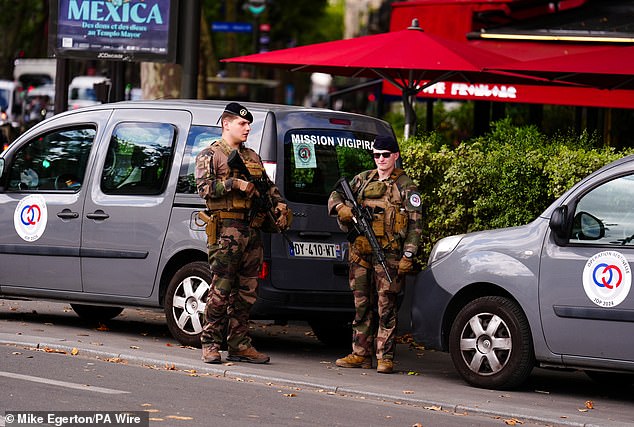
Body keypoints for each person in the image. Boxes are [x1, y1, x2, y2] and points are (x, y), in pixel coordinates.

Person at [195, 102, 290, 364]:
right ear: (227, 124)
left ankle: (238, 344)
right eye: (242, 123)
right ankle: (210, 343)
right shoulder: (210, 154)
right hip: (226, 230)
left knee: (247, 291)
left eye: (248, 124)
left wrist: (279, 206)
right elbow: (204, 189)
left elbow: (269, 188)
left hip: (252, 230)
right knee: (221, 288)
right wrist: (235, 183)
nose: (248, 128)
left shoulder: (252, 157)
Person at [327, 135, 422, 374]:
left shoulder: (406, 186)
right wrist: (342, 209)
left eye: (385, 155)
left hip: (388, 255)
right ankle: (360, 353)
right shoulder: (363, 179)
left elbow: (416, 226)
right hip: (360, 253)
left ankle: (385, 356)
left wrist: (408, 256)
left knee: (386, 306)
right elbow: (335, 195)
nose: (380, 159)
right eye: (377, 154)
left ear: (395, 156)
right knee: (361, 305)